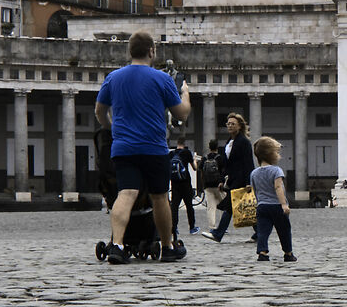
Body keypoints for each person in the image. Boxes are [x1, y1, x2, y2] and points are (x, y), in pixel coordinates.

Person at [93, 30, 191, 264]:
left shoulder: (114, 77)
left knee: (125, 194)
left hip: (124, 148)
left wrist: (111, 129)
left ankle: (117, 245)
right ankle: (167, 247)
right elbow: (181, 114)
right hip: (154, 148)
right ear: (151, 51)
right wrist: (185, 94)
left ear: (130, 52)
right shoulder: (162, 79)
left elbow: (99, 111)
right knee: (159, 197)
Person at [207, 112, 254, 242]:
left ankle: (218, 234)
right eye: (228, 123)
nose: (230, 126)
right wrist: (222, 180)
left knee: (230, 206)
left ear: (239, 126)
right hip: (232, 178)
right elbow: (227, 164)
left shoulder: (244, 142)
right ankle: (259, 232)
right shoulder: (229, 142)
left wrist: (248, 181)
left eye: (233, 124)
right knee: (242, 207)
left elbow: (248, 162)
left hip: (241, 178)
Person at [249, 135, 294, 259]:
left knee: (263, 231)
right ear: (271, 154)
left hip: (262, 206)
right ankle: (288, 253)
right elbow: (278, 188)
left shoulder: (254, 173)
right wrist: (284, 204)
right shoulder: (276, 171)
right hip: (277, 206)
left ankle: (262, 253)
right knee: (284, 230)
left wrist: (259, 203)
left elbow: (255, 190)